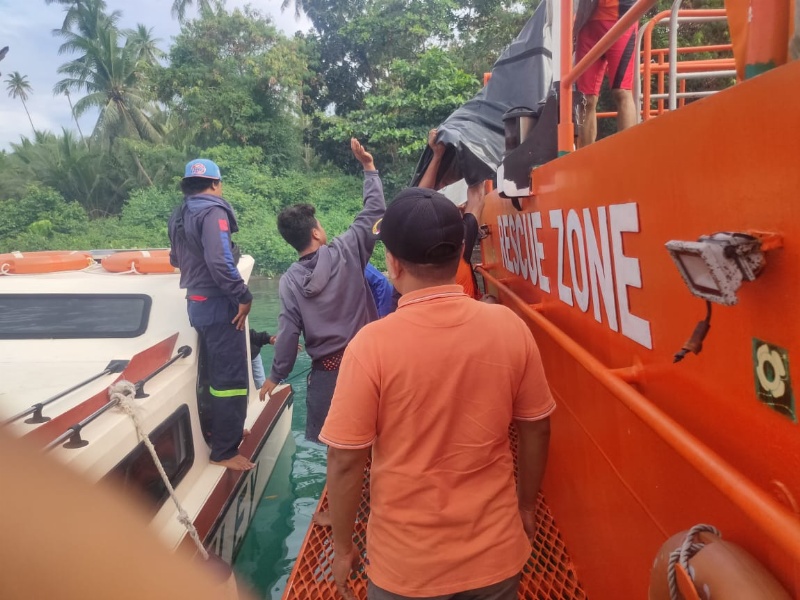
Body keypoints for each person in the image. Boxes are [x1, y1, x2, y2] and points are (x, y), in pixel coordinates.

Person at [319, 187, 555, 600]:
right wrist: (526, 507)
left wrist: (342, 548)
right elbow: (536, 429)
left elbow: (344, 460)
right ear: (461, 250)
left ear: (392, 263)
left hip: (405, 568)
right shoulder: (509, 327)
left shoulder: (371, 345)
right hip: (495, 557)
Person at [259, 139, 386, 444]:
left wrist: (276, 374)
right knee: (381, 439)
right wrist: (368, 167)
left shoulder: (289, 280)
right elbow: (375, 211)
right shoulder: (348, 249)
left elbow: (288, 334)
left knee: (340, 450)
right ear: (316, 232)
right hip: (369, 365)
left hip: (328, 376)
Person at [168, 158, 254, 472]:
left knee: (211, 374)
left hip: (197, 303)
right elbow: (221, 263)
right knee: (229, 379)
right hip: (220, 305)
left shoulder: (178, 214)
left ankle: (222, 431)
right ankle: (224, 450)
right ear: (216, 184)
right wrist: (243, 296)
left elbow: (175, 259)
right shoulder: (213, 210)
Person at [418, 129, 486, 299]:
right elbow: (477, 195)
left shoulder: (416, 251)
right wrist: (474, 153)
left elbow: (418, 199)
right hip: (467, 319)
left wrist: (437, 156)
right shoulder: (460, 243)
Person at [574, 0, 637, 147]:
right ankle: (586, 160)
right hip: (587, 22)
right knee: (585, 99)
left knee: (622, 92)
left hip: (622, 18)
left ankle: (627, 155)